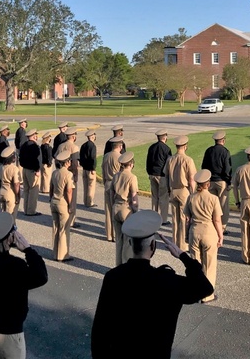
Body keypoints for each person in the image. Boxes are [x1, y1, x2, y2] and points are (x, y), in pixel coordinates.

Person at [91, 211, 213, 359]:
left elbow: (100, 330)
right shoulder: (167, 281)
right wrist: (184, 257)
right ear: (153, 246)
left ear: (130, 243)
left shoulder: (113, 277)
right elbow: (205, 288)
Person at [0, 212, 48, 359]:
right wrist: (28, 250)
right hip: (9, 334)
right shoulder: (16, 266)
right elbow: (41, 276)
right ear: (11, 237)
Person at [184, 169, 223, 303]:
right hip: (208, 230)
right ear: (208, 184)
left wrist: (185, 234)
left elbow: (187, 219)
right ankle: (208, 295)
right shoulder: (213, 198)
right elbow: (217, 220)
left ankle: (196, 291)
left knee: (196, 264)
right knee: (210, 265)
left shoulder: (191, 197)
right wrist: (220, 235)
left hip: (194, 230)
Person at [167, 136, 197, 252]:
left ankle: (175, 242)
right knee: (185, 218)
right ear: (185, 146)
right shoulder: (188, 160)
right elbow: (191, 179)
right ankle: (183, 244)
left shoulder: (170, 159)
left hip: (173, 189)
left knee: (175, 218)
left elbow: (166, 176)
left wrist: (169, 190)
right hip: (184, 190)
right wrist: (193, 193)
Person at [111, 151, 140, 266]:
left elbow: (110, 194)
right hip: (126, 209)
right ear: (131, 164)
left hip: (116, 207)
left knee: (119, 240)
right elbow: (134, 197)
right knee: (128, 242)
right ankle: (126, 265)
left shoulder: (116, 176)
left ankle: (118, 265)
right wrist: (135, 209)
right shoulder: (132, 177)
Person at [202, 131, 233, 232]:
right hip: (221, 181)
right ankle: (222, 227)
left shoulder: (209, 151)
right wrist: (228, 181)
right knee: (223, 206)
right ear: (223, 140)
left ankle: (211, 224)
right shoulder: (225, 152)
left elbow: (204, 166)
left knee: (210, 205)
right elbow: (227, 168)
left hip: (210, 181)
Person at [49, 144, 75, 262]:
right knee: (64, 229)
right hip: (62, 202)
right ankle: (63, 254)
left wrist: (51, 198)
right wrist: (70, 205)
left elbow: (51, 188)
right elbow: (69, 191)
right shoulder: (68, 174)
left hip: (54, 201)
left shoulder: (55, 173)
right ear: (66, 162)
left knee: (56, 228)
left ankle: (55, 253)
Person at [147, 130, 172, 224]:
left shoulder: (151, 147)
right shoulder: (167, 149)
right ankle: (163, 219)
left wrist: (149, 172)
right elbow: (168, 164)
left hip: (152, 174)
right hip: (162, 175)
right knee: (163, 198)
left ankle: (154, 217)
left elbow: (148, 161)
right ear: (165, 137)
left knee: (154, 197)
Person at [102, 137, 124, 241]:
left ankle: (109, 234)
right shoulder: (120, 157)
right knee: (115, 210)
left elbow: (102, 170)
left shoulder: (106, 156)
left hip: (107, 182)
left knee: (108, 210)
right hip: (116, 183)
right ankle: (115, 234)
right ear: (120, 146)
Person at [19, 129, 42, 216]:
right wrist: (37, 170)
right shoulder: (34, 146)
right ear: (33, 136)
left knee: (26, 190)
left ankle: (26, 209)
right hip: (32, 170)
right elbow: (36, 159)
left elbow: (20, 158)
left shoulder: (24, 145)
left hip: (25, 169)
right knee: (33, 191)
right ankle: (31, 210)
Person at [0, 147, 20, 221]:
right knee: (11, 217)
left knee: (3, 216)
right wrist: (17, 196)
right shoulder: (14, 168)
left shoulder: (1, 167)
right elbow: (16, 184)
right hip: (10, 193)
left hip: (1, 192)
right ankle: (10, 232)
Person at [78, 130, 98, 207]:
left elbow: (81, 157)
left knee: (85, 186)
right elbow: (93, 158)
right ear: (92, 136)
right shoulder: (92, 146)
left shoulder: (83, 145)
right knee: (91, 186)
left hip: (84, 169)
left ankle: (85, 201)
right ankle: (90, 202)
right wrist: (93, 168)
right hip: (90, 169)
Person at [0, 126, 12, 199]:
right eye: (7, 130)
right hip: (0, 163)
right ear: (4, 132)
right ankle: (0, 199)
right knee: (1, 182)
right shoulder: (2, 141)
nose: (8, 131)